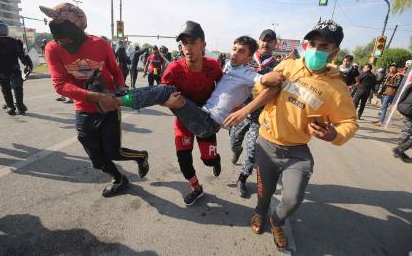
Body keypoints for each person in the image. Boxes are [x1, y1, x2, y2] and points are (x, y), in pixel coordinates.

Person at [224, 19, 358, 250]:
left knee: (292, 199)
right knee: (264, 193)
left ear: (334, 52)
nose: (316, 49)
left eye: (324, 46)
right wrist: (264, 81)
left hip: (297, 151)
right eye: (313, 43)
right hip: (266, 144)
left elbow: (349, 122)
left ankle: (276, 222)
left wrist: (333, 134)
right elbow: (259, 90)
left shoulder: (338, 88)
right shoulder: (287, 66)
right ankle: (260, 212)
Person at [117, 34, 283, 204]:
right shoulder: (218, 67)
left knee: (208, 159)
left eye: (241, 52)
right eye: (233, 49)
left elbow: (264, 82)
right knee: (183, 158)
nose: (234, 54)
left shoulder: (240, 72)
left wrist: (255, 92)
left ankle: (120, 99)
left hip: (206, 121)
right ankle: (196, 189)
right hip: (193, 116)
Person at [40, 2, 149, 197]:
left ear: (79, 30)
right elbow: (59, 84)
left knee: (114, 152)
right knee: (97, 159)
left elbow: (116, 71)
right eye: (59, 38)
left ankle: (140, 156)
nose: (62, 43)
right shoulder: (52, 48)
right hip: (83, 109)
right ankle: (118, 178)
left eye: (66, 38)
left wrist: (119, 91)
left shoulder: (100, 44)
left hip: (108, 107)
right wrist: (92, 96)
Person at [229, 29, 280, 198]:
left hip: (261, 116)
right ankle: (236, 150)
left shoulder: (277, 66)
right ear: (259, 41)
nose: (266, 43)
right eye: (263, 40)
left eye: (270, 40)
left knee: (252, 152)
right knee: (233, 141)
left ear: (275, 44)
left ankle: (242, 179)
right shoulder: (246, 59)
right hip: (240, 111)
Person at [0, 19, 33, 115]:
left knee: (12, 87)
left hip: (8, 68)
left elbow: (23, 54)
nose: (2, 29)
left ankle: (14, 106)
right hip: (7, 68)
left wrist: (28, 64)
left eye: (2, 27)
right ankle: (14, 106)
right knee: (13, 87)